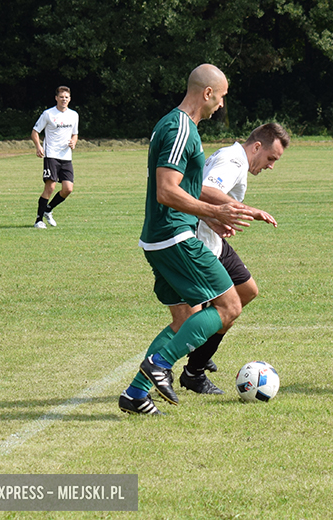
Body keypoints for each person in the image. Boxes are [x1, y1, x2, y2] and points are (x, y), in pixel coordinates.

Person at [119, 64, 257, 415]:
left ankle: (135, 395)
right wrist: (213, 212)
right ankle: (160, 363)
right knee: (229, 306)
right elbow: (167, 191)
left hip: (160, 236)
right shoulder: (181, 127)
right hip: (174, 236)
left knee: (184, 319)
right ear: (207, 93)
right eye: (221, 96)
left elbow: (183, 190)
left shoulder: (178, 126)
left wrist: (213, 214)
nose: (222, 105)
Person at [178, 122, 290, 395]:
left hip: (214, 236)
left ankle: (200, 353)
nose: (271, 166)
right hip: (201, 241)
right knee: (207, 312)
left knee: (247, 291)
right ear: (257, 147)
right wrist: (248, 210)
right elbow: (202, 189)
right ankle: (189, 370)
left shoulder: (232, 154)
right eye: (271, 158)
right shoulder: (233, 161)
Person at [31, 86, 79, 229]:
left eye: (66, 97)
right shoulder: (48, 114)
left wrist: (74, 142)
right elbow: (35, 132)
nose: (64, 99)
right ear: (56, 98)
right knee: (50, 186)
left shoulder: (74, 115)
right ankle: (38, 220)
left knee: (68, 189)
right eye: (61, 97)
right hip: (51, 155)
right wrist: (39, 146)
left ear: (69, 99)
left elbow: (75, 133)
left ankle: (48, 209)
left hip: (66, 156)